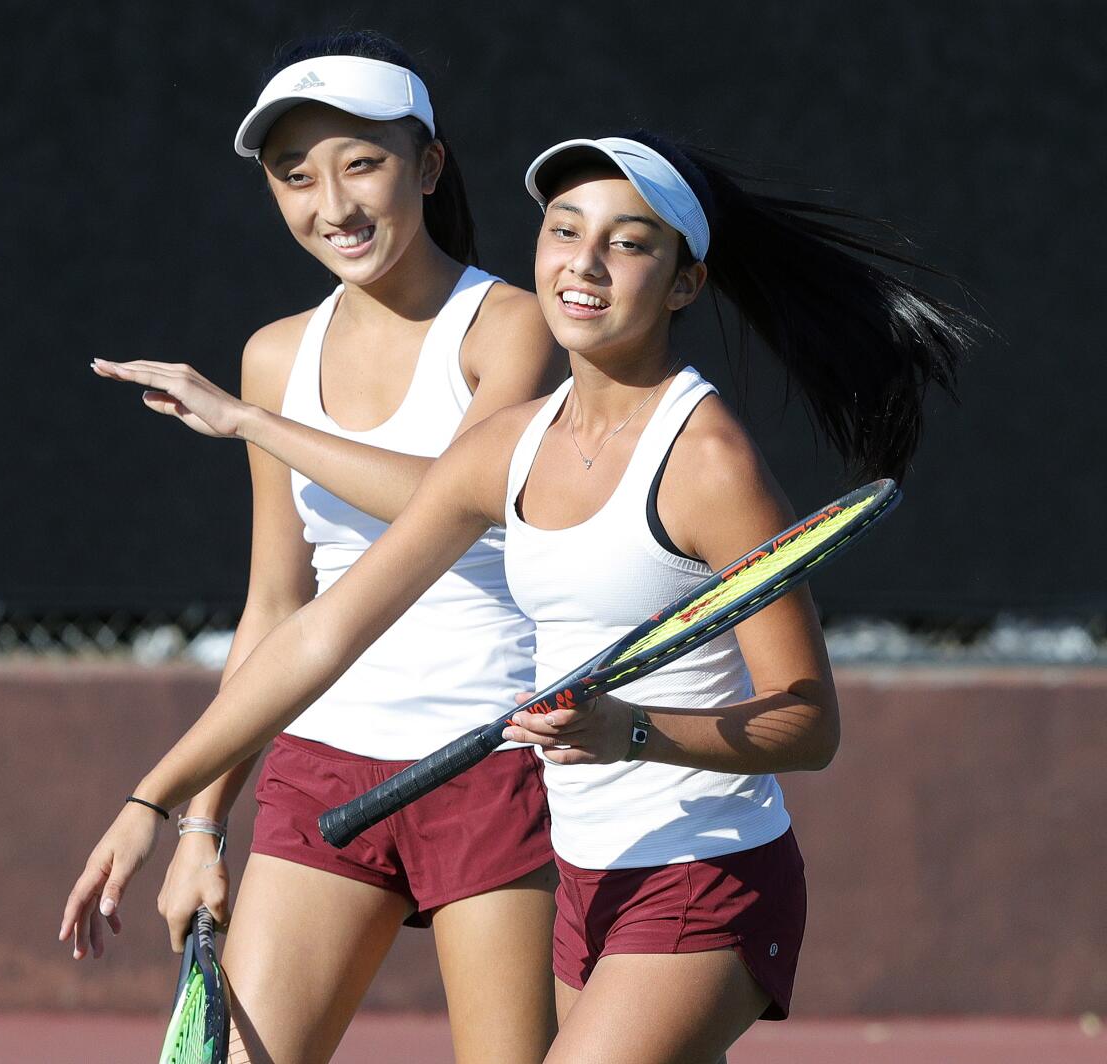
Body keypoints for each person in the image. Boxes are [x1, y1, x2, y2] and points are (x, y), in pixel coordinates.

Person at [63, 130, 971, 1063]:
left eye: (627, 242)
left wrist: (632, 731)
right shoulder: (507, 447)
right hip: (586, 881)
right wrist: (160, 800)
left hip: (707, 870)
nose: (583, 263)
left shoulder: (707, 463)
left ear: (683, 283)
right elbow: (322, 633)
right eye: (564, 230)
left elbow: (810, 724)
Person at [79, 30, 566, 1064]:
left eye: (362, 164)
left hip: (496, 760)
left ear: (428, 166)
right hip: (321, 772)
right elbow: (275, 604)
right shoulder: (273, 355)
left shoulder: (511, 325)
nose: (331, 205)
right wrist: (203, 821)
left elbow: (458, 503)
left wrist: (252, 423)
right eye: (295, 176)